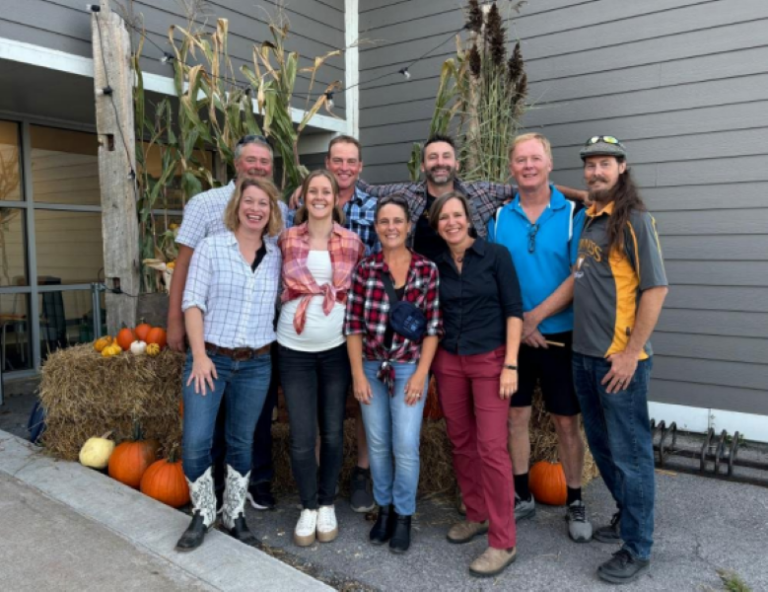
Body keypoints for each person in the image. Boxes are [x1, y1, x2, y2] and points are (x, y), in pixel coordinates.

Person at [171, 135, 288, 512]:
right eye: (250, 160)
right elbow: (186, 273)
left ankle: (239, 503)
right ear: (236, 163)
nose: (257, 166)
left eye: (264, 162)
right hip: (212, 347)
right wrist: (177, 323)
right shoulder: (205, 208)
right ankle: (207, 506)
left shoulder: (276, 240)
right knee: (201, 436)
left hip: (257, 351)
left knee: (250, 430)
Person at [572, 136, 668, 584]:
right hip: (584, 357)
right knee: (606, 448)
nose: (596, 172)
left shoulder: (633, 220)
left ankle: (638, 547)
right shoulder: (591, 216)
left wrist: (631, 354)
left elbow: (656, 289)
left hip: (618, 364)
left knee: (631, 456)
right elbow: (587, 195)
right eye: (590, 165)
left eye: (605, 164)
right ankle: (626, 518)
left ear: (622, 168)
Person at [487, 133, 591, 541]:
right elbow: (495, 277)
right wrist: (520, 325)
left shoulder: (572, 214)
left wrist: (535, 319)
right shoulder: (498, 218)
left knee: (567, 421)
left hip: (559, 336)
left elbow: (577, 275)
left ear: (549, 164)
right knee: (516, 416)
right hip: (515, 338)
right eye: (520, 160)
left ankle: (575, 498)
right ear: (511, 168)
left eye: (535, 159)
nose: (528, 166)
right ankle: (519, 493)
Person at [429, 191, 523, 578]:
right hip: (449, 361)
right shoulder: (435, 266)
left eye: (457, 215)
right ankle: (476, 513)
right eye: (443, 218)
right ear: (436, 227)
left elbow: (513, 311)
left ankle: (504, 540)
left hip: (489, 360)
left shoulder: (496, 256)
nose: (451, 222)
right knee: (461, 441)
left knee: (490, 447)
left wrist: (511, 365)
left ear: (469, 219)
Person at [345, 194, 442, 553]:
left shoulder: (426, 270)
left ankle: (404, 514)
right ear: (376, 228)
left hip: (407, 369)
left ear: (409, 225)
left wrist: (421, 375)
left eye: (397, 221)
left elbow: (433, 328)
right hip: (371, 367)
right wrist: (357, 373)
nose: (391, 228)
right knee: (379, 443)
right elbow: (353, 326)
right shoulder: (365, 270)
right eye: (384, 222)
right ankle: (383, 508)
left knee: (405, 444)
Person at [289, 135, 379, 513]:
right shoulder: (292, 223)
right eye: (337, 161)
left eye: (351, 162)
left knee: (355, 406)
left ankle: (359, 474)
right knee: (313, 421)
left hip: (353, 324)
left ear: (359, 167)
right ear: (327, 163)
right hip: (299, 339)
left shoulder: (371, 211)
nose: (344, 167)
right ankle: (315, 493)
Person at [277, 169, 365, 547]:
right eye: (313, 190)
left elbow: (358, 295)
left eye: (325, 191)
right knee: (301, 435)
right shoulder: (285, 239)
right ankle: (307, 506)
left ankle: (327, 502)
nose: (319, 197)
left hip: (335, 349)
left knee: (331, 431)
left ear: (335, 198)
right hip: (293, 348)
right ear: (303, 196)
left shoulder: (352, 241)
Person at [356, 134, 588, 261]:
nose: (440, 162)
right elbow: (367, 189)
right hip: (423, 291)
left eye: (446, 156)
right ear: (424, 166)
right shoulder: (406, 195)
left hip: (470, 293)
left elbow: (530, 187)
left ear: (456, 164)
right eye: (433, 157)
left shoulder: (480, 193)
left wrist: (580, 195)